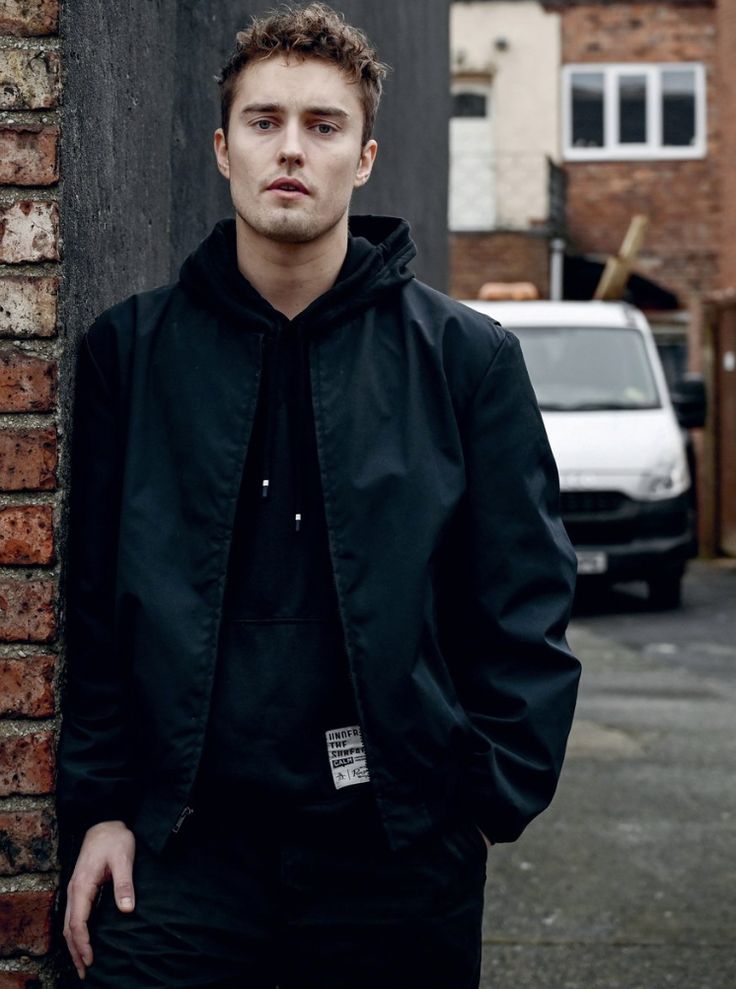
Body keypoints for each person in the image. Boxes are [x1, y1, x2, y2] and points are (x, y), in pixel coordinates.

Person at [57, 4, 581, 987]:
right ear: (221, 149)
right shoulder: (130, 353)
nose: (289, 148)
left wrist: (476, 800)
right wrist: (101, 809)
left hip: (392, 853)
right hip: (182, 855)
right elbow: (92, 609)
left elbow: (524, 600)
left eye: (322, 124)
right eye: (263, 122)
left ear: (366, 155)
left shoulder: (466, 360)